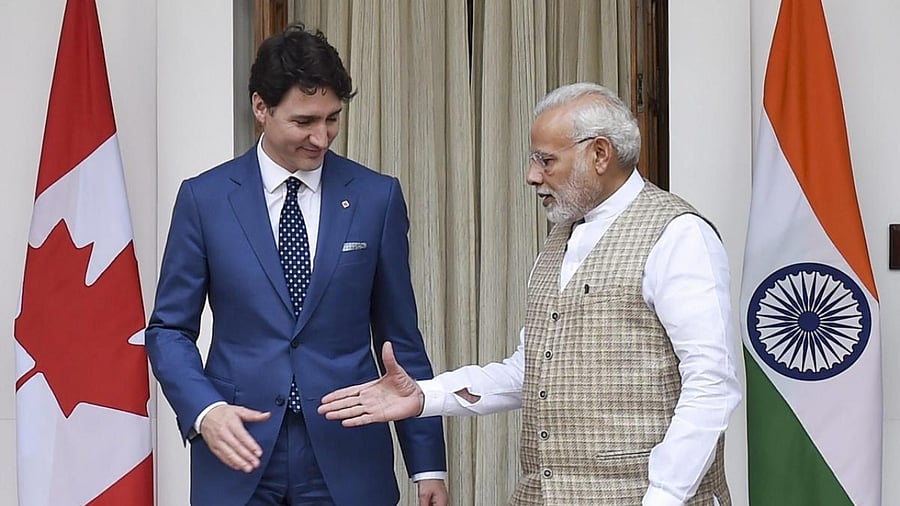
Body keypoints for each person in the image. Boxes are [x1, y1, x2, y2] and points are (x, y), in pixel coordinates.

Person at [318, 82, 742, 505]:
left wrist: (664, 497)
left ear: (599, 154)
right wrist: (425, 396)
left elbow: (711, 384)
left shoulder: (679, 234)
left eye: (546, 160)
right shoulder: (560, 239)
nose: (532, 175)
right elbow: (531, 372)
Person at [146, 23, 448, 506]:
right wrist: (205, 411)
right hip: (238, 451)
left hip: (347, 451)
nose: (321, 137)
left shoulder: (376, 198)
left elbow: (400, 339)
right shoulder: (204, 199)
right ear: (260, 107)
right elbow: (167, 330)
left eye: (332, 119)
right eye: (304, 121)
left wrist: (427, 464)